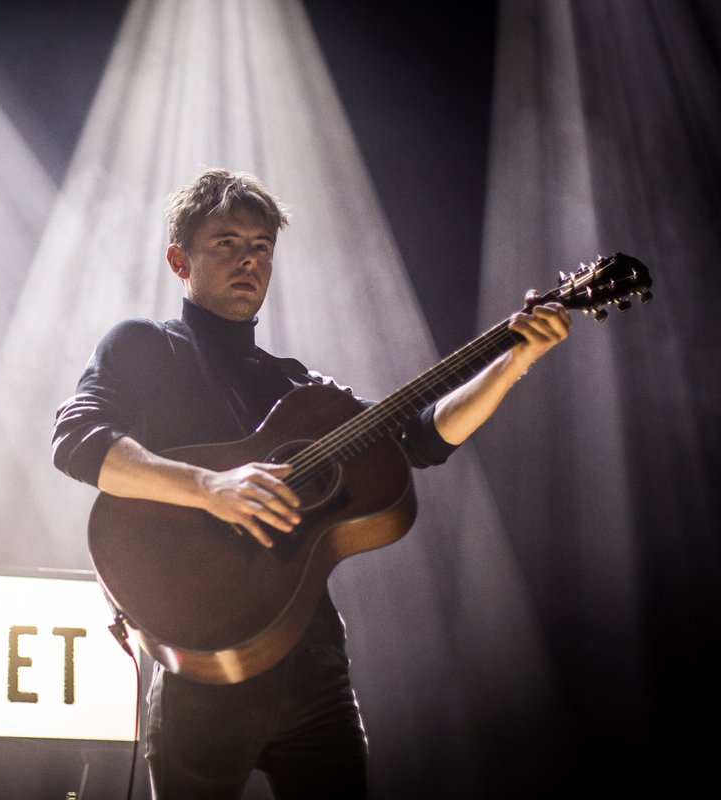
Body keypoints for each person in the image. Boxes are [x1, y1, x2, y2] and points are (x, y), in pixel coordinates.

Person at [51, 168, 570, 799]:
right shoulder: (141, 345)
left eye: (262, 247)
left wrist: (516, 359)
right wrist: (211, 487)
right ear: (177, 259)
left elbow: (423, 437)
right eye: (227, 243)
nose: (250, 259)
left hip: (313, 665)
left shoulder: (298, 388)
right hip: (201, 660)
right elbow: (77, 442)